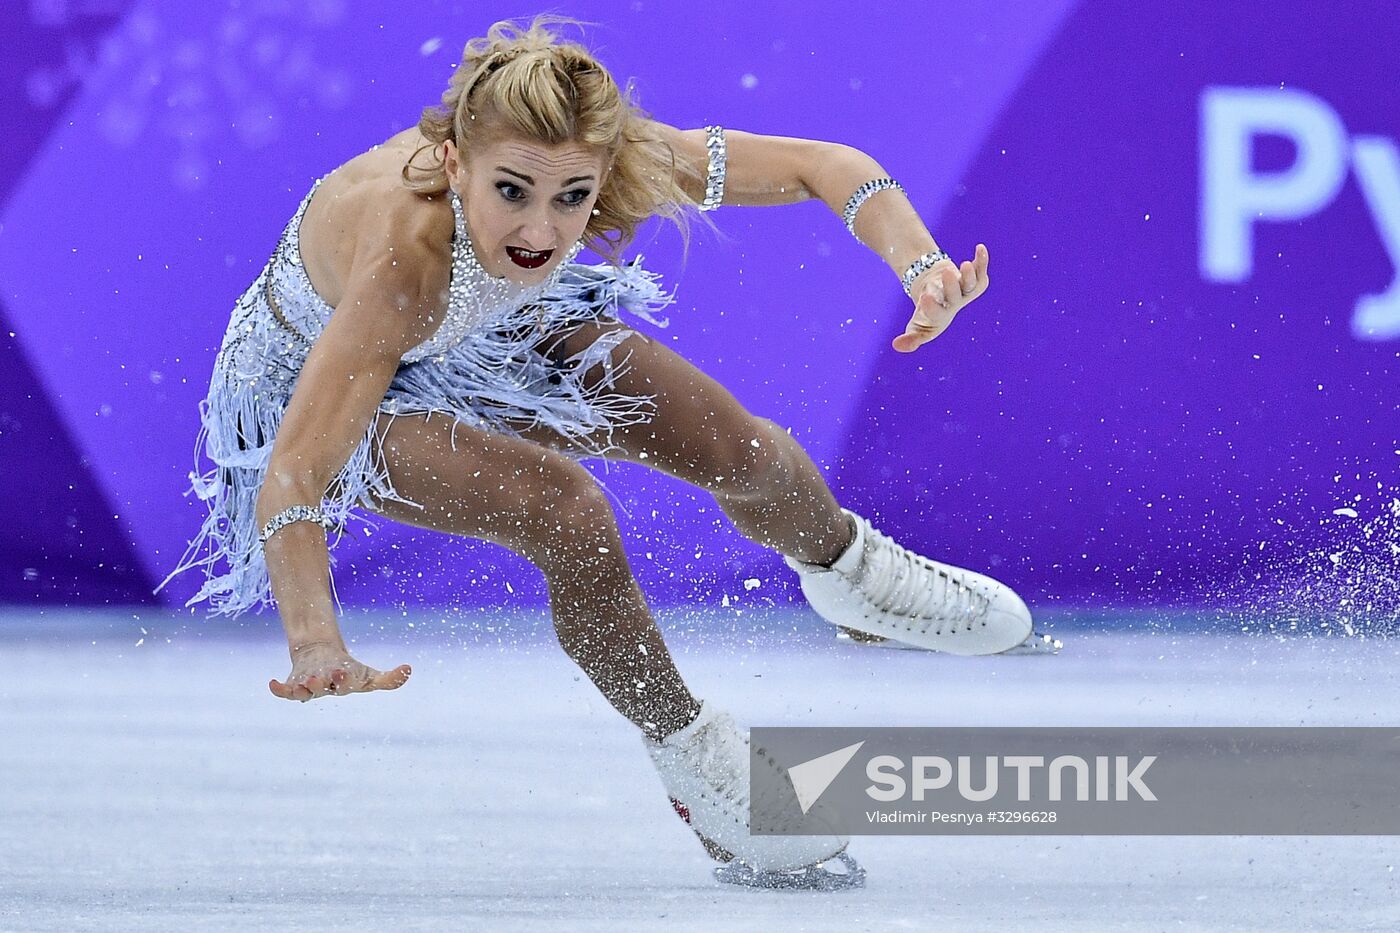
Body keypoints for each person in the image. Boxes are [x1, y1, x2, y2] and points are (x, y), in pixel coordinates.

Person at [160, 15, 1037, 888]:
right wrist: (315, 637)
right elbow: (295, 469)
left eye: (572, 197)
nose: (543, 229)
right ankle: (704, 771)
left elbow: (828, 166)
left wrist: (921, 268)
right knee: (565, 510)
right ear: (454, 163)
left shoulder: (605, 168)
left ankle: (854, 577)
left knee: (735, 447)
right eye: (512, 191)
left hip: (488, 324)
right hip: (313, 387)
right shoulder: (405, 257)